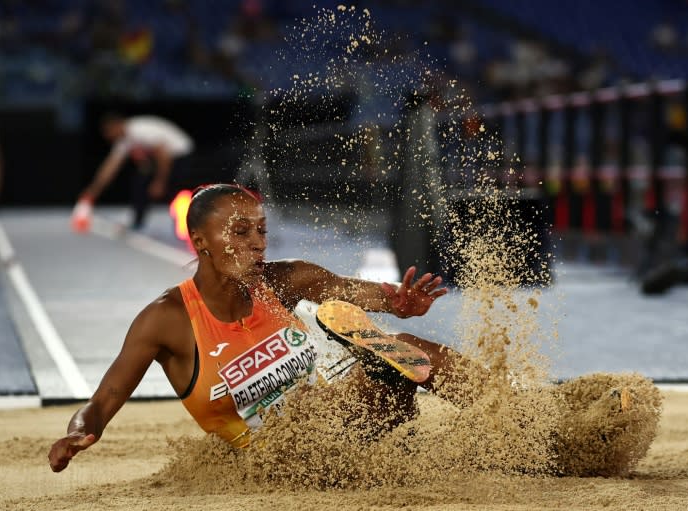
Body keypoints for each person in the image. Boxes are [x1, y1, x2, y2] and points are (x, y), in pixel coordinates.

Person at [49, 183, 468, 472]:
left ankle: (515, 427)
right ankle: (365, 359)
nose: (258, 243)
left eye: (262, 231)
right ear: (200, 241)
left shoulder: (286, 280)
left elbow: (357, 291)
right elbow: (102, 402)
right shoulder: (166, 319)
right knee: (373, 367)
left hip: (343, 425)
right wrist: (80, 433)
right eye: (240, 231)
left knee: (404, 348)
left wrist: (398, 302)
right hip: (275, 461)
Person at [73, 114, 194, 231]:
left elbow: (163, 155)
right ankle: (138, 221)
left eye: (109, 132)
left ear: (117, 125)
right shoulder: (123, 140)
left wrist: (159, 182)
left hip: (179, 154)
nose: (108, 137)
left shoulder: (139, 130)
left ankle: (188, 221)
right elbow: (110, 167)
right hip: (162, 158)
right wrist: (93, 190)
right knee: (140, 181)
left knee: (171, 189)